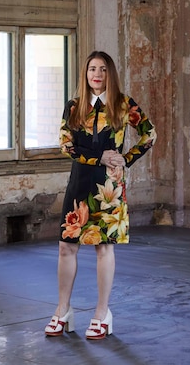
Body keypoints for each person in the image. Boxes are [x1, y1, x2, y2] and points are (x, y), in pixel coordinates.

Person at [45, 51, 156, 339]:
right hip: (79, 183)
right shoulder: (74, 106)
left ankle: (102, 312)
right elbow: (65, 146)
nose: (97, 74)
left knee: (103, 248)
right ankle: (62, 310)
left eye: (103, 69)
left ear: (111, 74)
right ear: (85, 73)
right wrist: (99, 158)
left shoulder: (122, 104)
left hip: (109, 189)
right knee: (65, 247)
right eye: (92, 69)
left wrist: (125, 159)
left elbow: (149, 134)